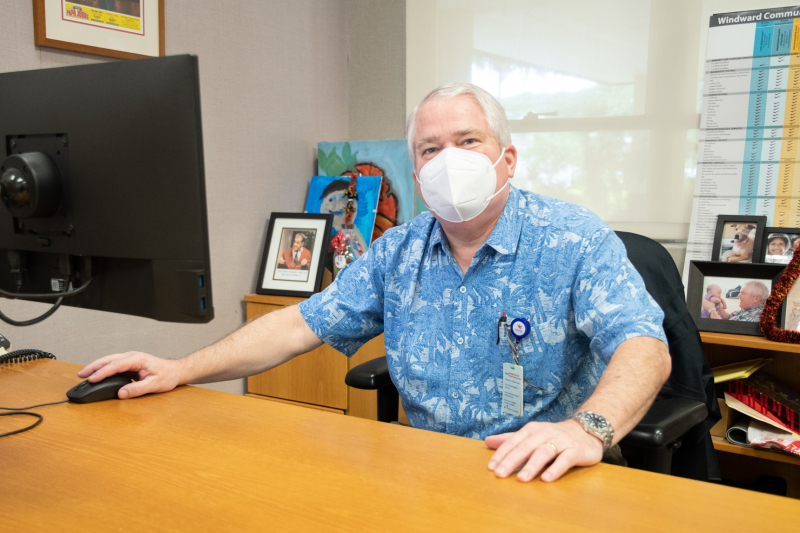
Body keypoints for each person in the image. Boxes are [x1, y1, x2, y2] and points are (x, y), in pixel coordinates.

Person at [79, 83, 671, 483]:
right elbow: (296, 326)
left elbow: (643, 344)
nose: (449, 159)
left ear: (507, 158)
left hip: (548, 469)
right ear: (416, 172)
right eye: (430, 149)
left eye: (468, 142)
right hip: (427, 472)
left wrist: (587, 430)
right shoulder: (397, 251)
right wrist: (180, 369)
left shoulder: (572, 238)